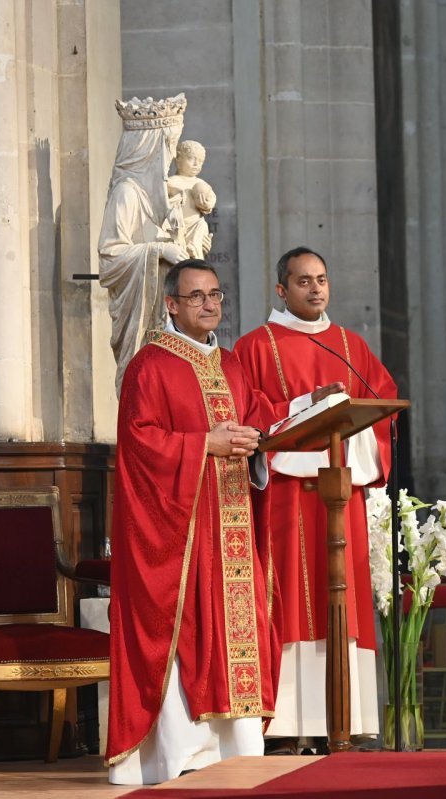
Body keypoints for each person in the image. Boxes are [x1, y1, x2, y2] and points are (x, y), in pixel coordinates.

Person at [107, 259, 278, 785]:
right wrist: (207, 443)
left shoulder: (232, 365)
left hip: (232, 526)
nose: (210, 304)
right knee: (188, 631)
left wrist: (266, 435)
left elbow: (255, 420)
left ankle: (239, 750)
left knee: (237, 630)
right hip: (180, 534)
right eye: (197, 296)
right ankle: (182, 756)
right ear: (172, 305)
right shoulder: (150, 366)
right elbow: (139, 444)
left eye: (216, 295)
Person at [233, 246, 396, 753]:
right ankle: (286, 726)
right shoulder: (254, 347)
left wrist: (353, 424)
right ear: (282, 290)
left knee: (340, 605)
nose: (316, 289)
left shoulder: (350, 343)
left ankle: (349, 721)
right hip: (285, 498)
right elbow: (248, 409)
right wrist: (308, 405)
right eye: (303, 281)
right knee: (288, 601)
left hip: (338, 494)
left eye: (321, 279)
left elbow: (382, 404)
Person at [98, 93, 189, 394]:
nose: (174, 155)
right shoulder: (126, 193)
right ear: (151, 148)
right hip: (141, 317)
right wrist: (159, 250)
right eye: (170, 145)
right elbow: (110, 258)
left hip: (167, 312)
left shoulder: (158, 198)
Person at [167, 140, 216, 259]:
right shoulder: (171, 181)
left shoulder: (200, 183)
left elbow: (211, 198)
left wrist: (207, 203)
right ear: (177, 158)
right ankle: (193, 252)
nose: (196, 164)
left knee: (202, 225)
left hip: (195, 223)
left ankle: (195, 250)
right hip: (177, 227)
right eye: (191, 159)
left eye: (200, 161)